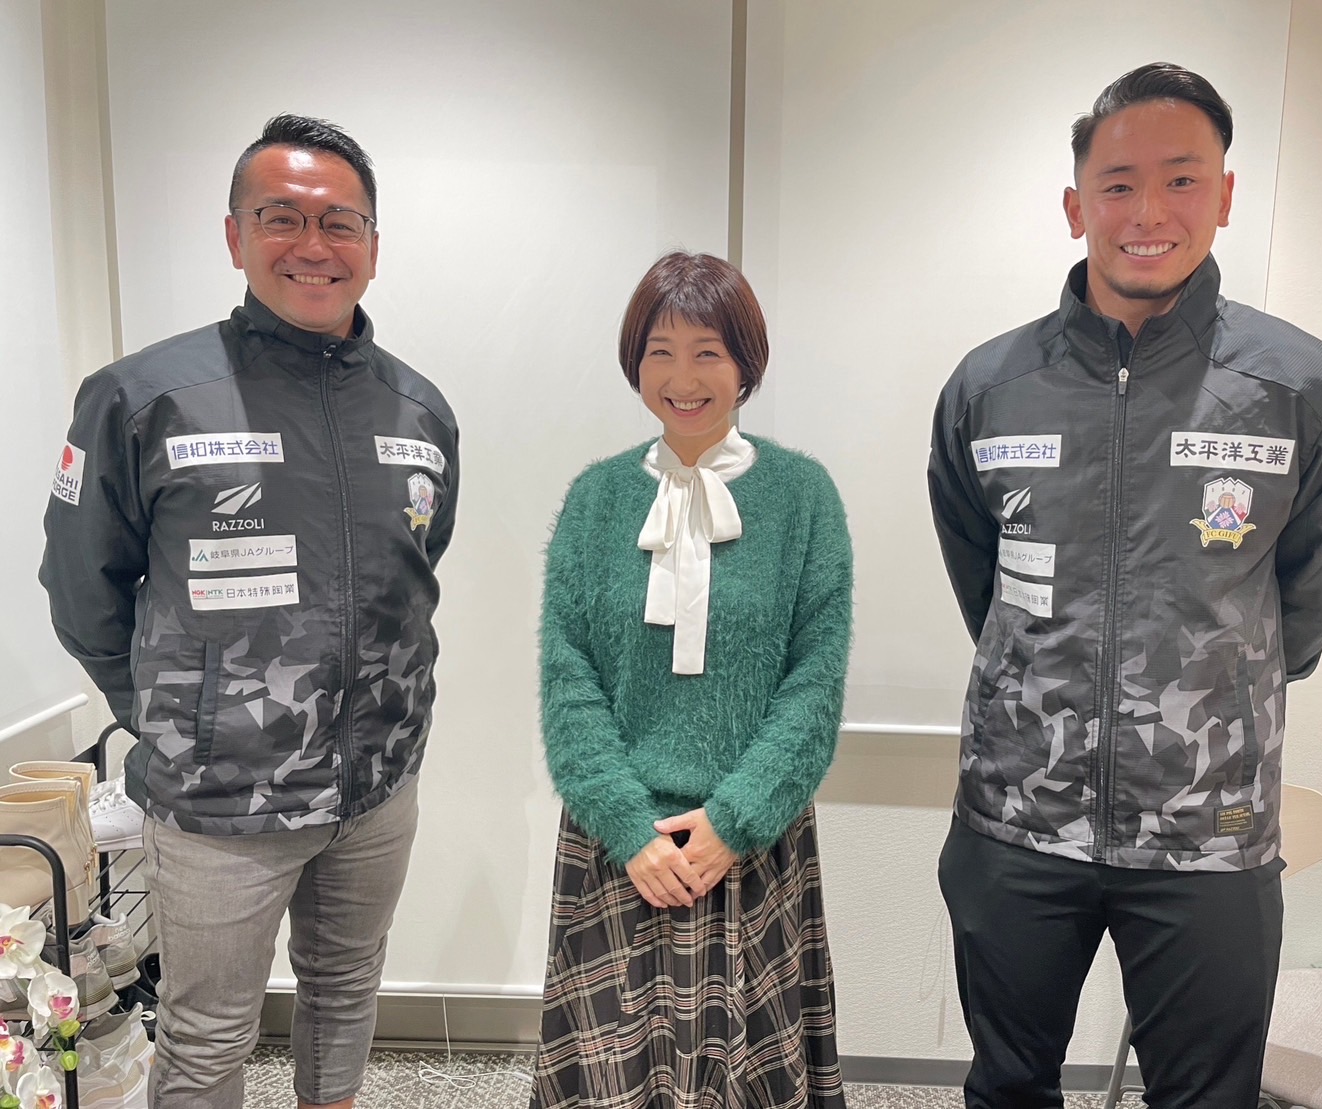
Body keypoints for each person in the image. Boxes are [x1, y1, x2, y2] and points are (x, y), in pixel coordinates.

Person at [928, 63, 1322, 1108]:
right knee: (1005, 1087)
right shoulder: (989, 388)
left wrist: (1218, 677)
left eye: (1181, 180)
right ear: (1075, 204)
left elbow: (1316, 590)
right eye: (1118, 183)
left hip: (1209, 831)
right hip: (1016, 817)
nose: (1147, 213)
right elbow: (980, 577)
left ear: (1224, 195)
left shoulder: (1306, 389)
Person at [40, 114, 459, 1109]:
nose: (314, 244)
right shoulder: (142, 398)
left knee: (345, 994)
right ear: (235, 235)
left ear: (372, 247)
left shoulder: (420, 410)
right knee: (207, 1038)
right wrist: (180, 720)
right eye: (282, 217)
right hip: (219, 805)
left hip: (377, 787)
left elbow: (414, 569)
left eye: (341, 222)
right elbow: (82, 589)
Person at [531, 251, 852, 1108]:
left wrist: (734, 821)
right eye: (660, 352)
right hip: (617, 842)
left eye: (708, 351)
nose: (683, 378)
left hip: (753, 838)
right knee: (613, 1081)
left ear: (746, 362)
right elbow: (568, 680)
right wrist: (627, 827)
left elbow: (814, 684)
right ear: (634, 362)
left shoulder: (804, 496)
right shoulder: (596, 498)